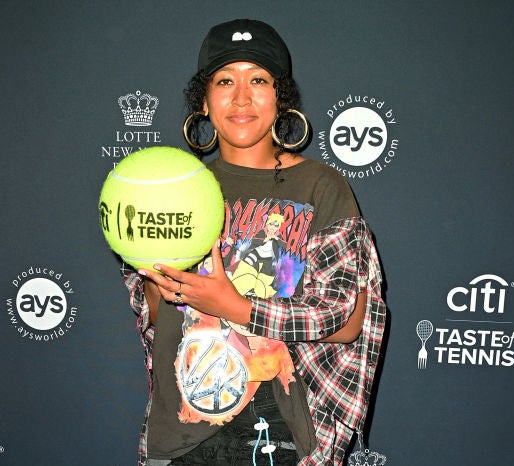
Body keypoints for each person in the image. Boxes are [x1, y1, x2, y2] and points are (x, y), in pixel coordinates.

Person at [122, 18, 386, 466]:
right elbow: (153, 313)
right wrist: (158, 279)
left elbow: (346, 319)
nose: (241, 97)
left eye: (258, 80)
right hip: (180, 437)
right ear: (203, 101)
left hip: (280, 437)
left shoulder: (320, 186)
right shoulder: (171, 187)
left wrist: (235, 307)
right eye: (225, 80)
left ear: (280, 98)